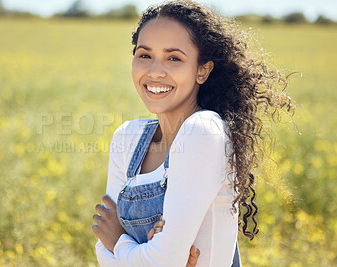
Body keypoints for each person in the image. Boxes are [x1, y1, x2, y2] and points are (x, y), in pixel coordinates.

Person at [92, 0, 293, 266]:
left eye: (174, 58)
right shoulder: (127, 137)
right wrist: (145, 252)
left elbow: (155, 258)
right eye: (144, 55)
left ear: (202, 70)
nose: (155, 71)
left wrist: (119, 241)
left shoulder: (204, 131)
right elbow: (103, 254)